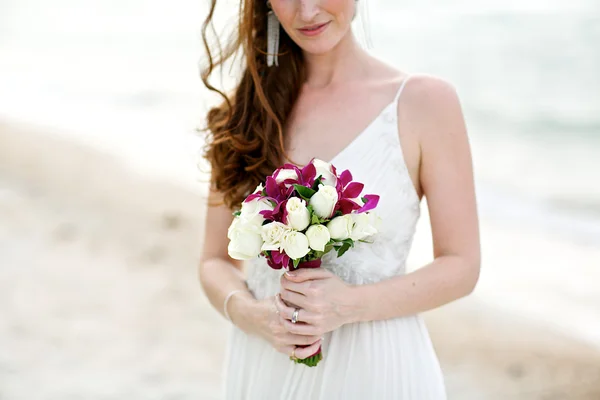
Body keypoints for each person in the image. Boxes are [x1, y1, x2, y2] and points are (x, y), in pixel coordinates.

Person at [198, 0, 480, 398]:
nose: (306, 10)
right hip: (267, 364)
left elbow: (462, 265)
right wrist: (249, 315)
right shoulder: (244, 114)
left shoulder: (424, 103)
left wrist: (349, 305)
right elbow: (214, 260)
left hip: (377, 369)